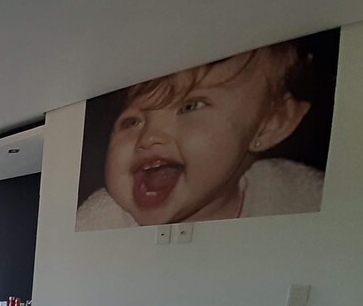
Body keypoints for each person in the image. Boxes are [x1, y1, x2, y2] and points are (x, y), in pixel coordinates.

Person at [76, 42, 325, 230]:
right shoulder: (100, 222)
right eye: (132, 121)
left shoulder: (297, 197)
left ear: (271, 123)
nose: (149, 138)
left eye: (190, 107)